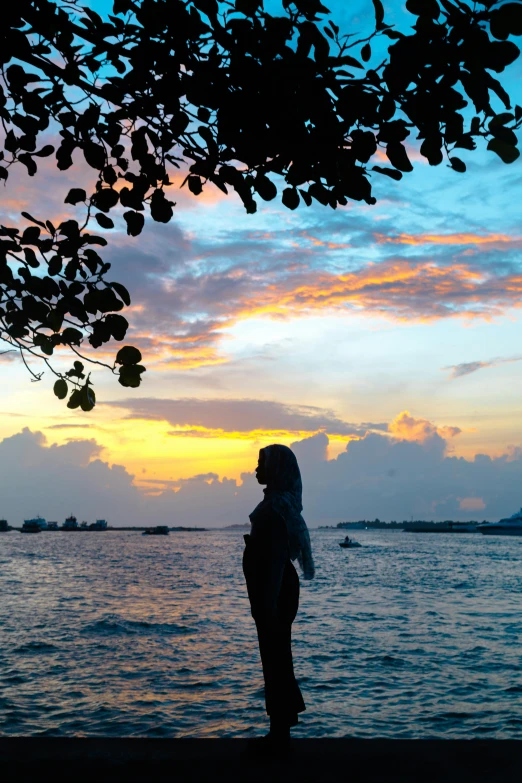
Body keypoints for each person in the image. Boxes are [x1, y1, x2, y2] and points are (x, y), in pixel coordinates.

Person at [243, 444, 315, 750]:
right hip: (273, 590)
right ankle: (280, 729)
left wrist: (267, 604)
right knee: (276, 657)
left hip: (275, 591)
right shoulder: (277, 504)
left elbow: (274, 556)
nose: (256, 469)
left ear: (277, 469)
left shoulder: (275, 510)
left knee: (275, 658)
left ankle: (279, 733)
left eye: (262, 464)